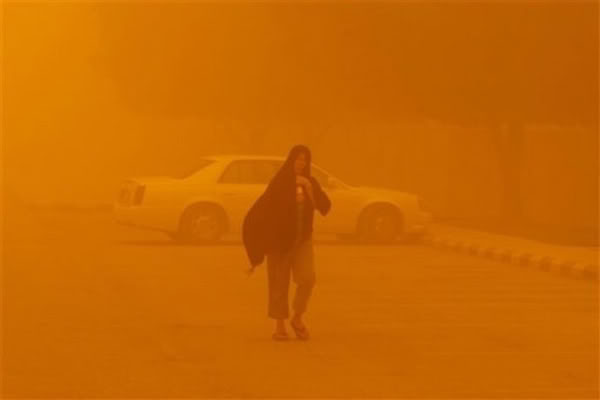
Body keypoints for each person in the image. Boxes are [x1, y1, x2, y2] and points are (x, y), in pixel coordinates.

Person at [242, 145, 331, 341]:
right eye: (297, 159)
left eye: (305, 160)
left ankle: (297, 317)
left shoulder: (310, 182)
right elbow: (265, 210)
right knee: (279, 284)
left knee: (307, 279)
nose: (301, 163)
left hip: (303, 240)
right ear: (291, 161)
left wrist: (308, 188)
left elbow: (324, 207)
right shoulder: (280, 183)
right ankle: (279, 326)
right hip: (279, 242)